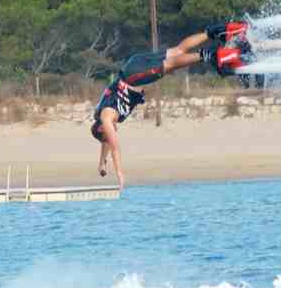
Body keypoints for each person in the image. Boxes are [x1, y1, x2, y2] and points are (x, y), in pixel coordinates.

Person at [92, 21, 251, 188]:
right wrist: (102, 163)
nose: (113, 135)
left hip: (135, 76)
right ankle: (219, 31)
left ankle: (214, 55)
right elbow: (107, 142)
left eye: (108, 135)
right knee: (177, 51)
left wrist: (120, 176)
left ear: (102, 129)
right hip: (134, 65)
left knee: (171, 64)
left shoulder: (106, 118)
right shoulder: (103, 118)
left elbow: (114, 146)